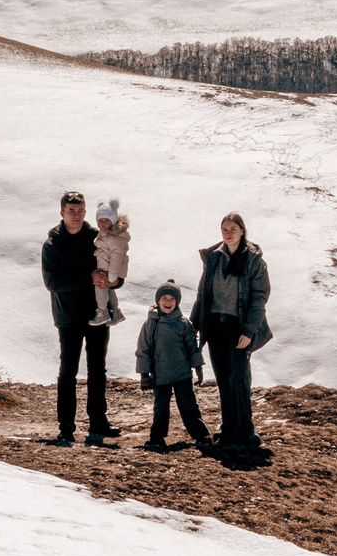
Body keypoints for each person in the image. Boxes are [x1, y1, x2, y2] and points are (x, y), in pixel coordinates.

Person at [39, 190, 118, 446]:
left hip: (97, 312)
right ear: (62, 213)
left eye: (80, 210)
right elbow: (52, 282)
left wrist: (114, 279)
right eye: (71, 211)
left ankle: (98, 422)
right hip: (69, 316)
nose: (76, 215)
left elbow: (115, 266)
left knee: (98, 370)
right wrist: (89, 278)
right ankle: (66, 427)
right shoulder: (52, 244)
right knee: (68, 371)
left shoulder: (97, 237)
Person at [194, 212, 272, 462]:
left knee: (239, 377)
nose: (228, 233)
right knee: (223, 378)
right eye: (224, 229)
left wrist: (249, 331)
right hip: (216, 324)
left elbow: (260, 297)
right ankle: (228, 429)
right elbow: (203, 292)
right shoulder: (214, 257)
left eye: (232, 229)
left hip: (238, 327)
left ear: (241, 231)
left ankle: (245, 431)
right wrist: (195, 323)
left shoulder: (253, 259)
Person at [134, 279, 211, 453]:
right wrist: (144, 374)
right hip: (160, 374)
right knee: (161, 407)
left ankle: (201, 435)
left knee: (189, 405)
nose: (168, 303)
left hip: (182, 373)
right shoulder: (150, 324)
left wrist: (198, 367)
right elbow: (143, 349)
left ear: (177, 302)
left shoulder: (184, 323)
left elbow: (192, 347)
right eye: (164, 299)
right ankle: (157, 437)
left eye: (172, 299)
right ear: (158, 301)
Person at [93, 200, 131, 327]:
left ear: (113, 221)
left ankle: (102, 311)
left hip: (110, 270)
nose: (103, 224)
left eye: (107, 220)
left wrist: (113, 275)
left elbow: (117, 257)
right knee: (108, 289)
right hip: (106, 268)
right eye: (100, 220)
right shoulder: (105, 234)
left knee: (101, 287)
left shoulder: (115, 238)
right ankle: (115, 312)